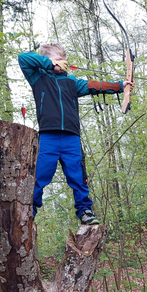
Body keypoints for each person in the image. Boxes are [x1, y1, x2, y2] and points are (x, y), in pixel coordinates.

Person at [18, 43, 134, 224]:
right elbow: (22, 58)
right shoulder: (38, 78)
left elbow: (94, 85)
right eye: (58, 60)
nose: (62, 64)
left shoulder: (71, 82)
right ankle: (29, 211)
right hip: (48, 136)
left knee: (78, 176)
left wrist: (120, 85)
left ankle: (85, 210)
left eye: (63, 61)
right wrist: (50, 64)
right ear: (47, 60)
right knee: (39, 175)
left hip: (71, 138)